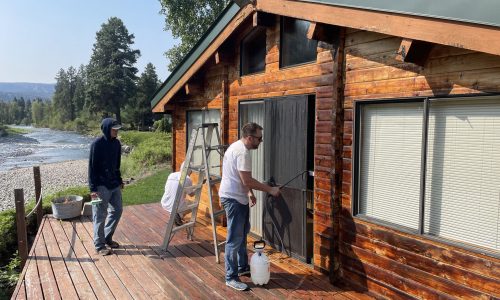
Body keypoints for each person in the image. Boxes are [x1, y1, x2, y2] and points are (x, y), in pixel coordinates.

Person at [219, 122, 280, 291]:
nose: (261, 141)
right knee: (234, 239)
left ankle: (242, 267)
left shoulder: (237, 147)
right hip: (233, 200)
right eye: (259, 139)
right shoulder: (242, 153)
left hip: (238, 197)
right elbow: (247, 180)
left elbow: (239, 177)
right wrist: (270, 190)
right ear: (250, 138)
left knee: (243, 233)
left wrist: (249, 193)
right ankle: (231, 277)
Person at [88, 117, 124, 256]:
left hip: (114, 184)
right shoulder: (96, 144)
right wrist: (93, 189)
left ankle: (107, 237)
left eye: (117, 129)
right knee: (99, 215)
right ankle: (99, 245)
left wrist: (120, 180)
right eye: (114, 129)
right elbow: (91, 169)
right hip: (100, 186)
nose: (116, 132)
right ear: (107, 129)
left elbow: (117, 165)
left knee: (118, 210)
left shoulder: (117, 144)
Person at [161, 161, 196, 225]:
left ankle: (176, 217)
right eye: (191, 171)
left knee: (182, 200)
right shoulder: (187, 178)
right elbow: (191, 194)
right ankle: (178, 216)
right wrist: (198, 187)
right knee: (193, 205)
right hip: (175, 206)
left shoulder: (172, 175)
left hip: (165, 202)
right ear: (189, 171)